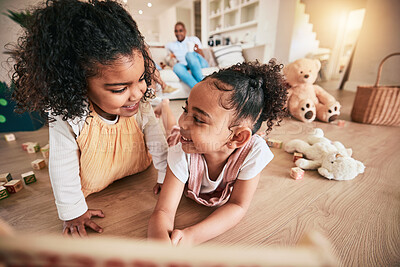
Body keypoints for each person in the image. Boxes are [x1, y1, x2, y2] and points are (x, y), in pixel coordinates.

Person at [11, 0, 168, 237]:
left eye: (141, 78)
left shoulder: (140, 102)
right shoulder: (70, 114)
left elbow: (156, 139)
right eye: (119, 89)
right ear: (78, 84)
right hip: (94, 187)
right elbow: (61, 163)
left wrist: (165, 175)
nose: (137, 93)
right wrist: (72, 211)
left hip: (138, 169)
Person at [148, 60, 288, 246]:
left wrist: (192, 235)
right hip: (182, 141)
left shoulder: (253, 152)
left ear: (237, 137)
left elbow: (237, 205)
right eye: (185, 109)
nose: (185, 121)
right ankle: (165, 106)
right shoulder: (182, 150)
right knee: (173, 130)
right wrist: (160, 247)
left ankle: (165, 106)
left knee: (175, 129)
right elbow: (163, 211)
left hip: (195, 141)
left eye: (198, 119)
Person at [166, 22, 209, 89]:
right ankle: (198, 88)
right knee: (176, 67)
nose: (178, 33)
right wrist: (171, 57)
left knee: (189, 55)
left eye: (181, 31)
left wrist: (197, 50)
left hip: (197, 63)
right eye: (176, 31)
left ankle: (201, 83)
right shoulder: (171, 45)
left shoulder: (193, 39)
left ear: (185, 31)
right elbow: (167, 56)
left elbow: (202, 56)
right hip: (185, 66)